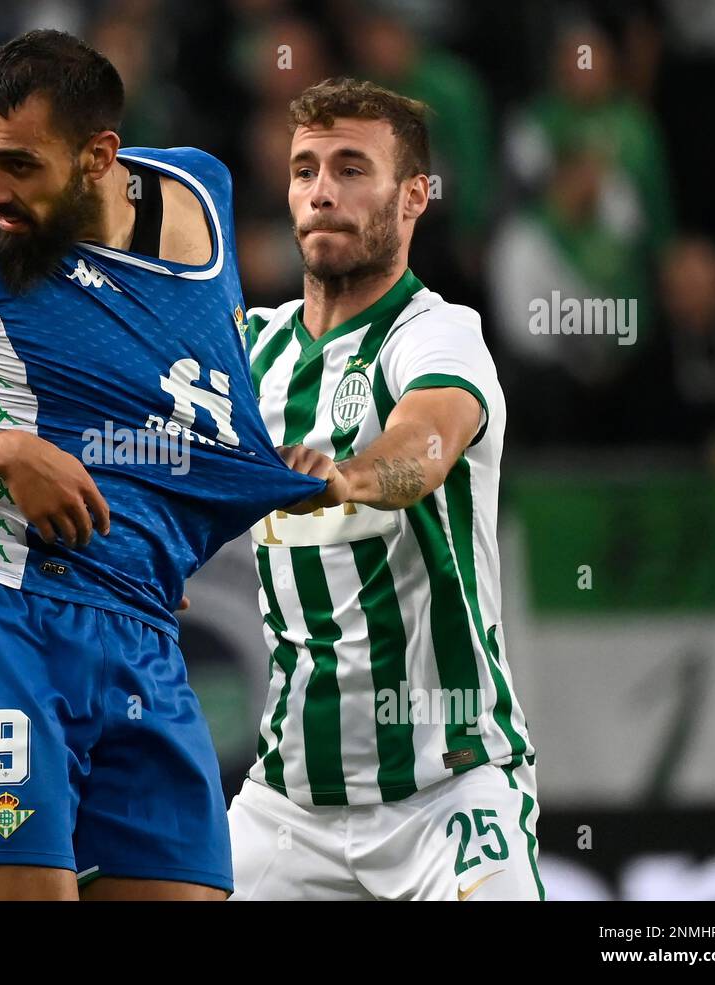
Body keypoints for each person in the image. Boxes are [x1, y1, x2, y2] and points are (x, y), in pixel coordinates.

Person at [0, 30, 325, 901]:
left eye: (19, 165)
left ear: (100, 157)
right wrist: (5, 451)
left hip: (144, 635)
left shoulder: (202, 194)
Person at [229, 78, 542, 900]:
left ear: (413, 198)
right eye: (303, 170)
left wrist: (344, 477)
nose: (321, 190)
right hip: (285, 808)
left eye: (349, 168)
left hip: (450, 793)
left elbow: (424, 448)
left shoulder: (438, 331)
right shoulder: (244, 353)